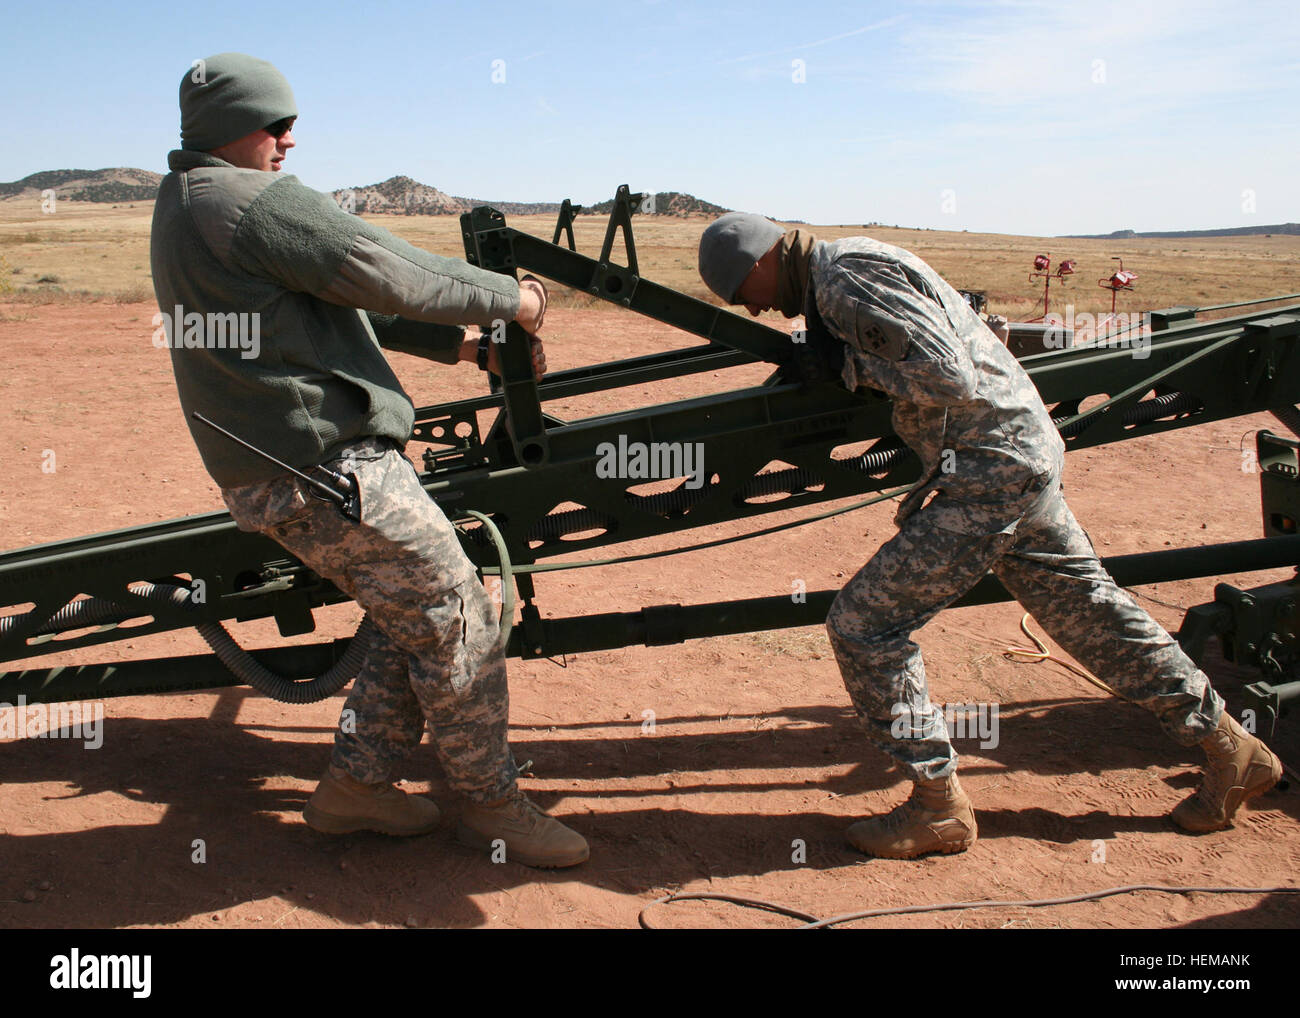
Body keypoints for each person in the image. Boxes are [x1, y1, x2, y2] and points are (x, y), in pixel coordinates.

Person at [697, 212, 1283, 859]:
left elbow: (949, 378)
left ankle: (937, 805)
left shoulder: (841, 283)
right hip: (1019, 455)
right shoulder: (852, 262)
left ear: (759, 262)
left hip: (991, 470)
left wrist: (853, 370)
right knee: (1093, 613)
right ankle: (1232, 749)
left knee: (864, 627)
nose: (753, 309)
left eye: (740, 294)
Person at [150, 52, 587, 868]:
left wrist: (461, 351)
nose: (288, 141)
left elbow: (323, 303)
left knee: (411, 612)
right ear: (232, 127)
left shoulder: (186, 204)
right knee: (460, 614)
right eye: (276, 125)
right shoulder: (244, 201)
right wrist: (516, 298)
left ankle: (358, 786)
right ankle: (493, 805)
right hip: (321, 470)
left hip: (287, 469)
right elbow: (387, 270)